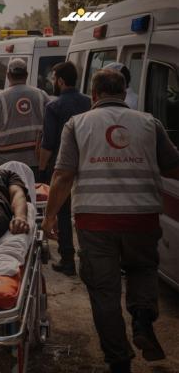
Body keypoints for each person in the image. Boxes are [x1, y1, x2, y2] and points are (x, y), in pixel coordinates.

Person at [42, 69, 179, 373]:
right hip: (142, 219)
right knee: (142, 269)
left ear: (94, 94)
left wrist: (49, 217)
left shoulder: (77, 124)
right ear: (124, 92)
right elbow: (173, 167)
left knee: (104, 290)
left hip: (95, 221)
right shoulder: (150, 123)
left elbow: (63, 175)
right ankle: (142, 319)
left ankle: (119, 360)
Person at [37, 61, 91, 276]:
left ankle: (67, 259)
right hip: (87, 164)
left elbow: (48, 143)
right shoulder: (89, 102)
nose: (52, 82)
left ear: (60, 81)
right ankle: (88, 257)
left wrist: (42, 169)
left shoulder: (54, 106)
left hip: (62, 166)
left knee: (62, 211)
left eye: (53, 78)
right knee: (85, 212)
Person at [0, 58, 49, 174]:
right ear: (26, 75)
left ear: (8, 75)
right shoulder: (42, 95)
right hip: (35, 161)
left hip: (7, 163)